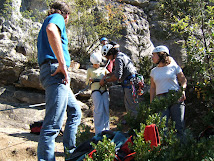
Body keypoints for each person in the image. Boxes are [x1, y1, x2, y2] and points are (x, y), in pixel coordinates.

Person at [37, 2, 82, 161]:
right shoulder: (57, 18)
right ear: (66, 14)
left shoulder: (47, 20)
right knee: (52, 125)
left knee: (75, 112)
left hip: (54, 73)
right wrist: (62, 63)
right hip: (56, 72)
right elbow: (52, 29)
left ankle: (70, 154)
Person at [150, 45, 187, 140]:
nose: (152, 57)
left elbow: (183, 80)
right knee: (162, 127)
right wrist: (152, 102)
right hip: (160, 99)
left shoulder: (174, 67)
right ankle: (165, 150)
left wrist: (182, 91)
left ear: (161, 55)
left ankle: (181, 149)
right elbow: (153, 88)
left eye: (154, 55)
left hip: (175, 97)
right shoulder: (153, 71)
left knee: (179, 125)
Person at [100, 44, 139, 116]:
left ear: (111, 53)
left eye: (108, 56)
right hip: (133, 82)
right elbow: (119, 71)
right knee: (131, 104)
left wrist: (105, 80)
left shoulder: (118, 59)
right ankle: (133, 121)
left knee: (131, 106)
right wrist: (109, 75)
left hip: (129, 84)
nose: (108, 59)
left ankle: (135, 124)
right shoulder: (122, 55)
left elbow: (117, 76)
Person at [86, 52, 110, 135]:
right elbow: (87, 81)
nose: (97, 65)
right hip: (96, 90)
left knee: (106, 109)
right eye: (95, 64)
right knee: (99, 109)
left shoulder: (103, 69)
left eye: (98, 63)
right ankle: (99, 131)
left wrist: (106, 78)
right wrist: (91, 80)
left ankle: (106, 129)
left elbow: (110, 76)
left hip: (104, 90)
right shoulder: (90, 70)